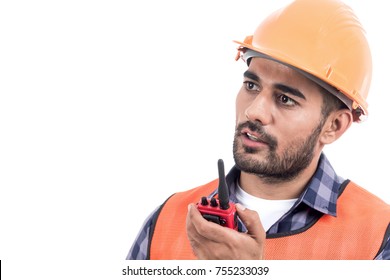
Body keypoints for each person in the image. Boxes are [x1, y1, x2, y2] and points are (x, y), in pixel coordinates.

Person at [127, 0, 390, 260]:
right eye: (251, 86)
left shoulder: (377, 235)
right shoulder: (167, 221)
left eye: (285, 99)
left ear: (334, 126)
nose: (254, 111)